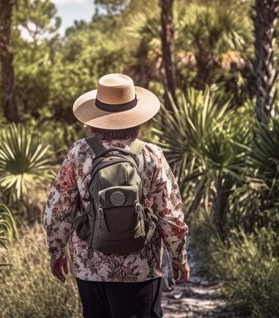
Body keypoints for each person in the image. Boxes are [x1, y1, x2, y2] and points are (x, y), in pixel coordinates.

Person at [44, 73, 190, 318]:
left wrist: (56, 251)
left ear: (95, 117)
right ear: (136, 118)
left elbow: (58, 208)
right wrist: (179, 257)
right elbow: (170, 214)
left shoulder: (79, 152)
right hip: (141, 269)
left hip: (91, 269)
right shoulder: (151, 155)